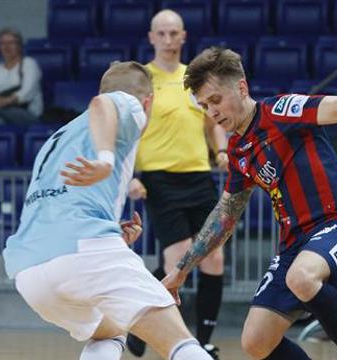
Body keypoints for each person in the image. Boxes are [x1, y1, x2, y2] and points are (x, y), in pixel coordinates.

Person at [160, 47, 337, 360]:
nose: (211, 112)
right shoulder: (237, 151)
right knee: (256, 342)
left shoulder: (282, 111)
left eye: (216, 100)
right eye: (204, 105)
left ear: (241, 87)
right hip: (294, 245)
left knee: (301, 277)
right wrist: (181, 270)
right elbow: (225, 216)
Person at [2, 61, 214, 359]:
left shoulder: (59, 137)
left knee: (111, 331)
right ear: (148, 100)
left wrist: (111, 230)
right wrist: (105, 160)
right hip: (81, 249)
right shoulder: (129, 104)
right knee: (178, 342)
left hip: (29, 271)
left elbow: (59, 201)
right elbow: (104, 103)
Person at [125, 10, 228, 358]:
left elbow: (212, 120)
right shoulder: (142, 79)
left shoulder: (194, 78)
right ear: (151, 37)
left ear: (184, 37)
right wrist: (132, 176)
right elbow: (131, 130)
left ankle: (205, 340)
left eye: (174, 34)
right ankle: (167, 336)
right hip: (159, 178)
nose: (168, 40)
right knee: (178, 262)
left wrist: (223, 150)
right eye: (162, 34)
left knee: (213, 258)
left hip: (198, 175)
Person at [0, 27, 43, 126]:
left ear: (19, 45)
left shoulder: (29, 63)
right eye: (2, 43)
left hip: (27, 114)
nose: (6, 47)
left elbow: (26, 94)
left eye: (11, 43)